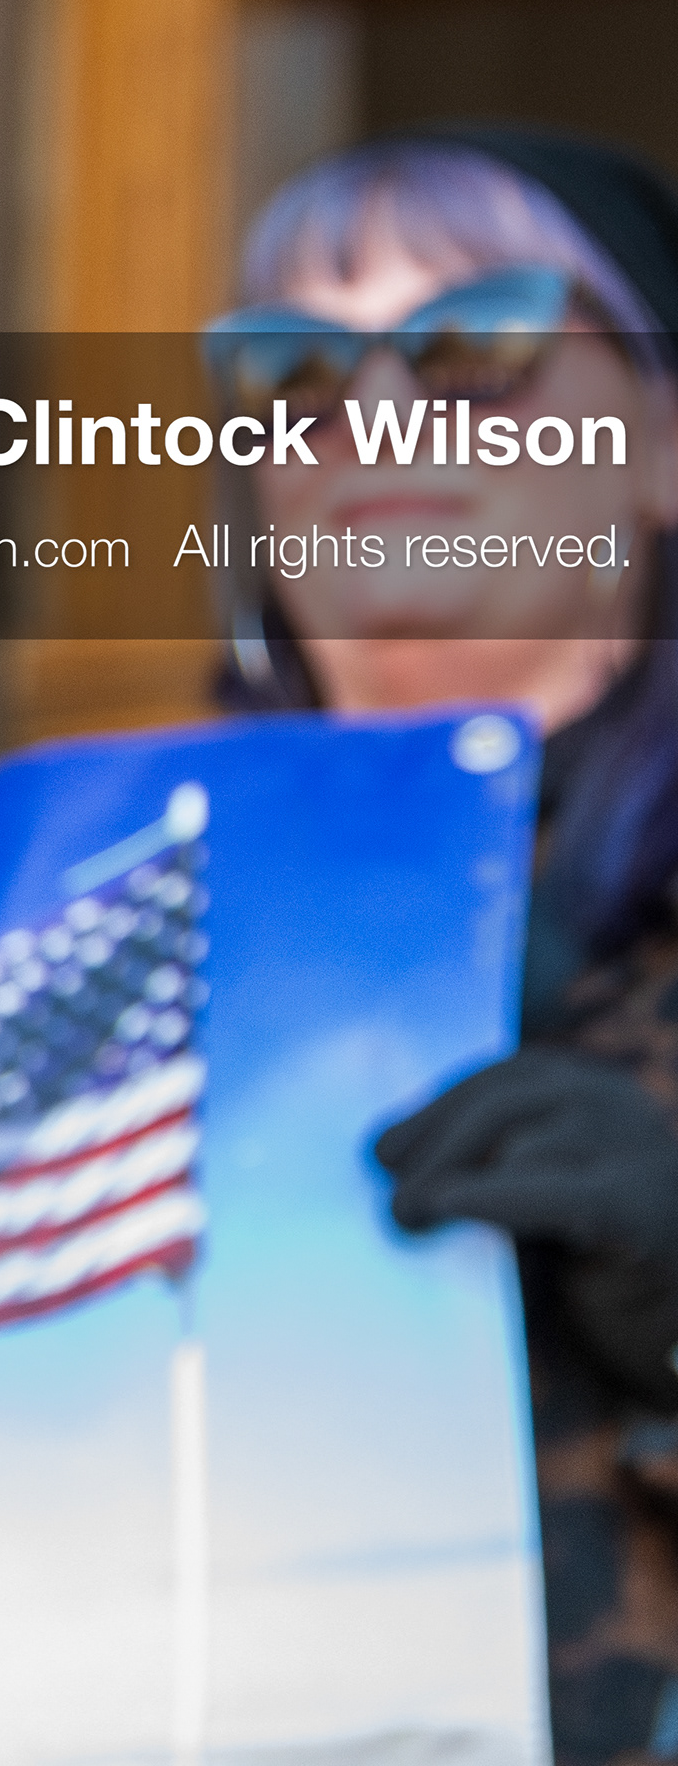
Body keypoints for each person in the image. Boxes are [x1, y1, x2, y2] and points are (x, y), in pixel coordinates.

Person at [213, 126, 678, 1765]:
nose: (375, 416)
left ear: (666, 433)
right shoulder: (85, 933)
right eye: (292, 367)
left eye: (475, 341)